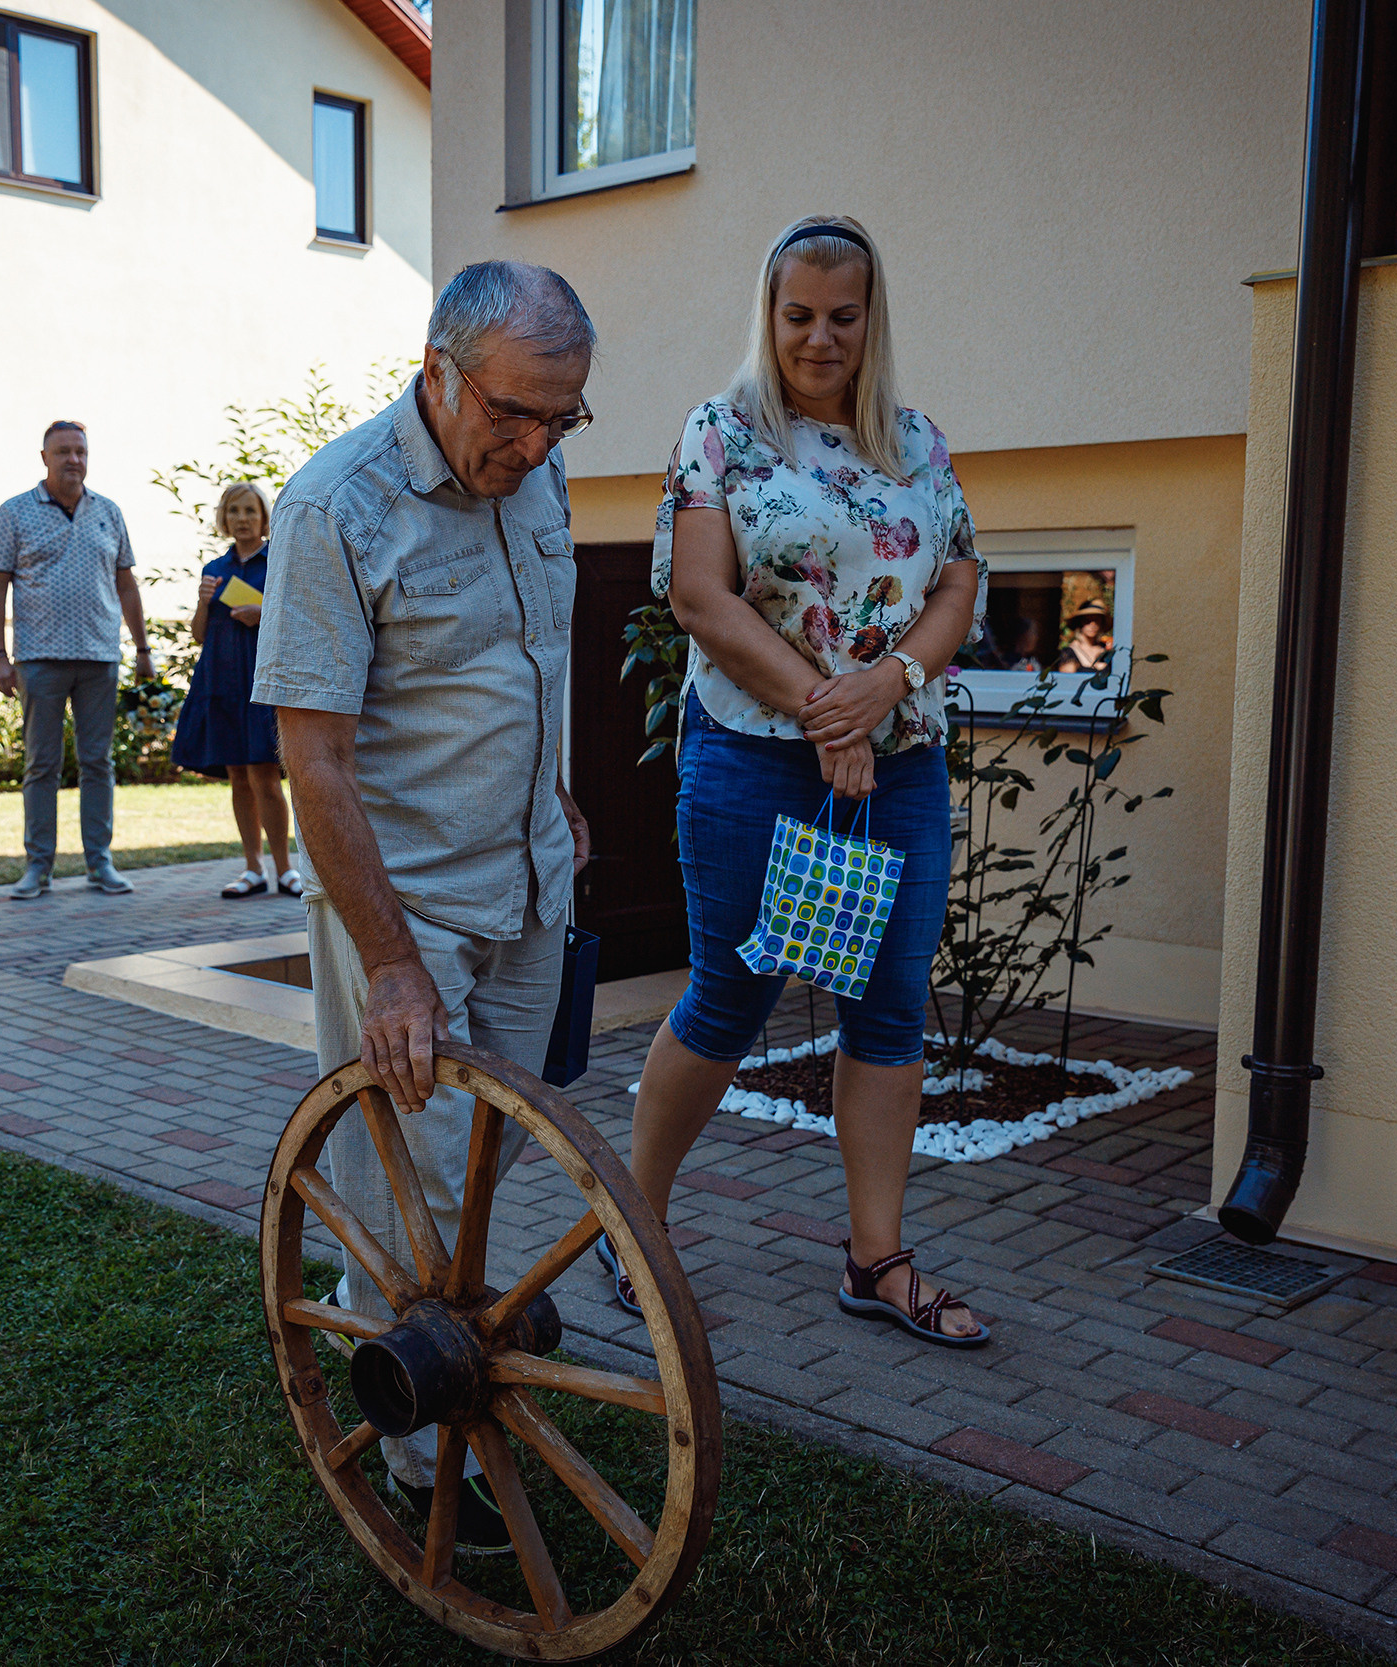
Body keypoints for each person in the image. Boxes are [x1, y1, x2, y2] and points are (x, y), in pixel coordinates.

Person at [256, 260, 597, 1549]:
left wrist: (551, 792)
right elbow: (315, 763)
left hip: (526, 888)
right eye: (514, 413)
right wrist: (391, 964)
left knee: (478, 1162)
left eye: (563, 417)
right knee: (398, 1180)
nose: (535, 443)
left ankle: (450, 1358)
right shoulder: (336, 509)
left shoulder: (541, 474)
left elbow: (532, 654)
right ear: (437, 370)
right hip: (410, 904)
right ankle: (416, 1443)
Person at [623, 215, 990, 1349]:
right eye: (798, 316)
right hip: (752, 761)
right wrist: (825, 707)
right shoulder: (721, 432)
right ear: (767, 315)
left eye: (842, 315)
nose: (820, 337)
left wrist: (884, 686)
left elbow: (960, 582)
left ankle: (875, 1257)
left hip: (901, 767)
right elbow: (701, 598)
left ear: (871, 318)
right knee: (731, 996)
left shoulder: (918, 442)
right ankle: (631, 1227)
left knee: (886, 1010)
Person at [0, 420, 152, 900]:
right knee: (42, 765)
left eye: (80, 451)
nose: (73, 460)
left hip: (100, 655)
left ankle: (100, 863)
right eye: (63, 452)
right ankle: (39, 867)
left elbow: (126, 584)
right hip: (39, 658)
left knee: (98, 763)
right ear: (44, 457)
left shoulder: (108, 512)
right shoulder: (15, 512)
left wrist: (142, 649)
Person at [174, 482, 299, 898]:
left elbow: (297, 619)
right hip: (222, 682)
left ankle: (285, 869)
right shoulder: (215, 569)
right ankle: (251, 869)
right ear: (223, 519)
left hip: (261, 683)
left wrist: (263, 612)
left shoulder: (277, 561)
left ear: (264, 517)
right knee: (238, 777)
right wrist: (202, 602)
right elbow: (198, 635)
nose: (242, 518)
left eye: (249, 510)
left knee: (265, 774)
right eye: (233, 511)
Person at [1052, 597, 1115, 672]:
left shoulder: (1105, 650)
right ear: (1080, 623)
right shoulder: (1069, 652)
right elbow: (1067, 677)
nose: (1092, 625)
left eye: (1096, 620)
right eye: (1087, 621)